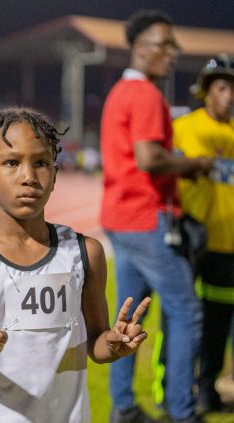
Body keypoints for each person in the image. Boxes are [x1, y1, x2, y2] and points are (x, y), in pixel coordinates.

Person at [0, 107, 150, 422]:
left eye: (40, 163)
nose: (28, 177)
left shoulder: (83, 253)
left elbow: (97, 342)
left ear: (54, 176)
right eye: (12, 163)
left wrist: (114, 344)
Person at [100, 10, 213, 423]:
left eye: (173, 46)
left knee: (129, 317)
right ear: (140, 48)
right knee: (186, 310)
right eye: (164, 45)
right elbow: (149, 158)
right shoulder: (146, 94)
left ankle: (123, 407)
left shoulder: (120, 92)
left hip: (121, 219)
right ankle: (183, 410)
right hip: (149, 219)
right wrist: (193, 164)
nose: (172, 53)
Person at [173, 54, 234, 414]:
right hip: (193, 240)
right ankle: (172, 389)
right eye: (222, 87)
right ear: (207, 92)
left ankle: (208, 389)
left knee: (218, 322)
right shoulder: (186, 127)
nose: (228, 96)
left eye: (233, 89)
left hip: (228, 245)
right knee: (181, 319)